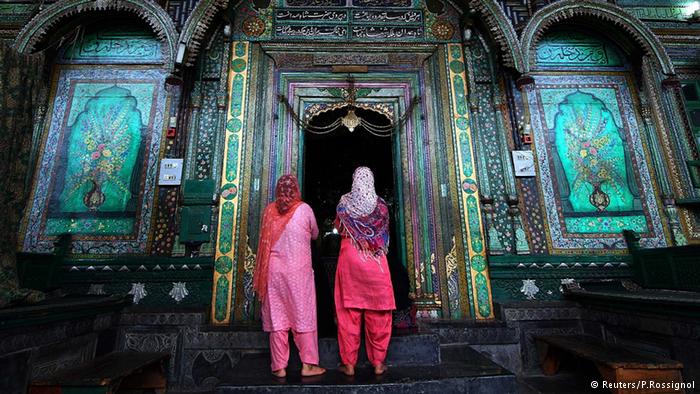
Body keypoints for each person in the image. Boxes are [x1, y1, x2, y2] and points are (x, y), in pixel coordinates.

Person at [253, 175, 326, 378]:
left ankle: (279, 367)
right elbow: (315, 234)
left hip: (274, 272)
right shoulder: (304, 210)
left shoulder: (269, 211)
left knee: (277, 316)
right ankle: (309, 364)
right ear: (296, 190)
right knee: (303, 314)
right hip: (299, 272)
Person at [334, 167, 396, 376]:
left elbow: (339, 228)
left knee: (349, 313)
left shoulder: (344, 203)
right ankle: (378, 363)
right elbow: (384, 236)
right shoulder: (381, 207)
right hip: (375, 263)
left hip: (351, 260)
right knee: (378, 312)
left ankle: (349, 364)